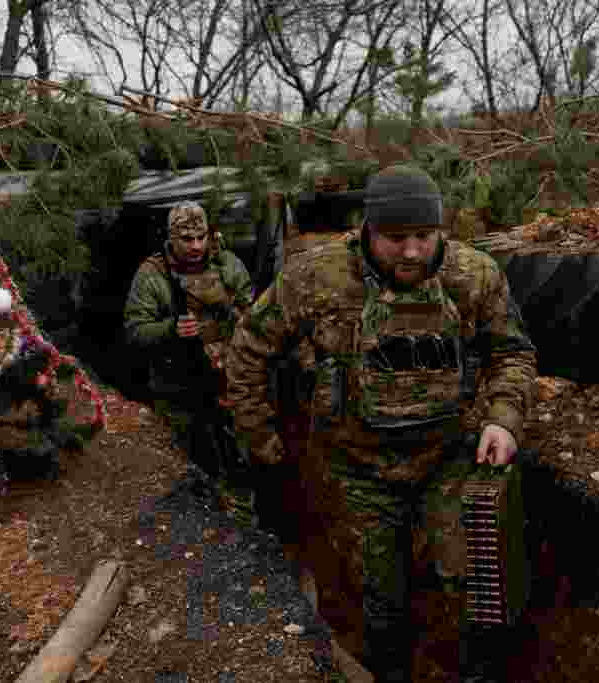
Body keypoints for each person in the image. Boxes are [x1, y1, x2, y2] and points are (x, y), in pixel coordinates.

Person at [225, 165, 538, 682]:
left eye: (423, 235)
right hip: (357, 469)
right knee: (380, 596)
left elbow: (513, 353)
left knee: (470, 582)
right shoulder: (315, 277)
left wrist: (504, 419)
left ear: (442, 229)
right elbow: (248, 349)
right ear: (368, 229)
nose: (411, 251)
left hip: (447, 458)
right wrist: (261, 436)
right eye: (395, 238)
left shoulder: (473, 275)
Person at [123, 201, 258, 523]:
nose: (196, 245)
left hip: (230, 379)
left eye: (202, 236)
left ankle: (247, 516)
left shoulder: (228, 264)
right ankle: (202, 521)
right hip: (180, 385)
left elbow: (254, 312)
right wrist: (170, 329)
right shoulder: (152, 275)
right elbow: (134, 330)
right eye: (187, 239)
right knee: (191, 459)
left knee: (242, 453)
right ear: (172, 239)